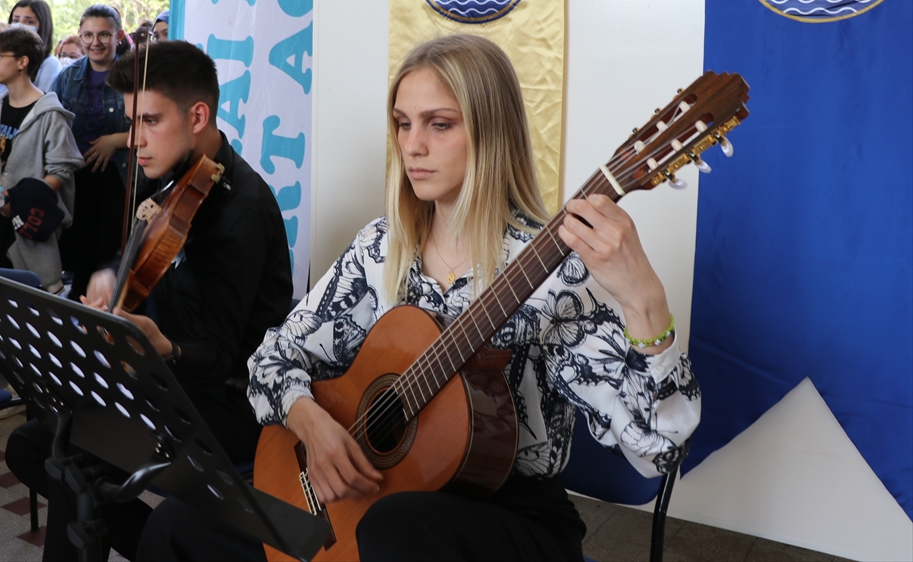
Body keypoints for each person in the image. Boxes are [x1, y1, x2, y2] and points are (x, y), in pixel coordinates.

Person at [137, 34, 701, 562]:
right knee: (180, 523)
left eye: (439, 124)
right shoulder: (381, 248)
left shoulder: (554, 272)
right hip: (377, 494)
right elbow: (271, 360)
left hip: (505, 518)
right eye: (403, 124)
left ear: (490, 131)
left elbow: (655, 451)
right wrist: (312, 423)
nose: (413, 145)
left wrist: (643, 299)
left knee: (395, 529)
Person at [4, 40, 294, 561]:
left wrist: (163, 349)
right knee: (33, 444)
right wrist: (109, 277)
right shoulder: (172, 181)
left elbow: (224, 356)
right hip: (164, 379)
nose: (134, 140)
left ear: (198, 115)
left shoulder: (239, 213)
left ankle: (170, 544)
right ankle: (162, 545)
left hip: (228, 400)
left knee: (77, 451)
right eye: (132, 121)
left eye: (150, 121)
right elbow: (140, 259)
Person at [0, 27, 82, 293]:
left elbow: (61, 169)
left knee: (36, 294)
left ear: (22, 62)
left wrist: (21, 200)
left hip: (31, 223)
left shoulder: (50, 113)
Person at [50, 4, 130, 299]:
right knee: (78, 247)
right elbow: (53, 124)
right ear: (79, 36)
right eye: (88, 34)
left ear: (118, 35)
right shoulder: (67, 77)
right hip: (76, 175)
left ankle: (101, 309)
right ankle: (79, 307)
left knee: (107, 250)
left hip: (118, 175)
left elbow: (152, 126)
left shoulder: (135, 75)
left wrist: (116, 140)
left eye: (104, 35)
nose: (95, 42)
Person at [9, 0, 62, 91]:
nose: (20, 27)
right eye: (16, 21)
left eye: (29, 22)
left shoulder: (50, 64)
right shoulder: (6, 60)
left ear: (42, 26)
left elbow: (42, 102)